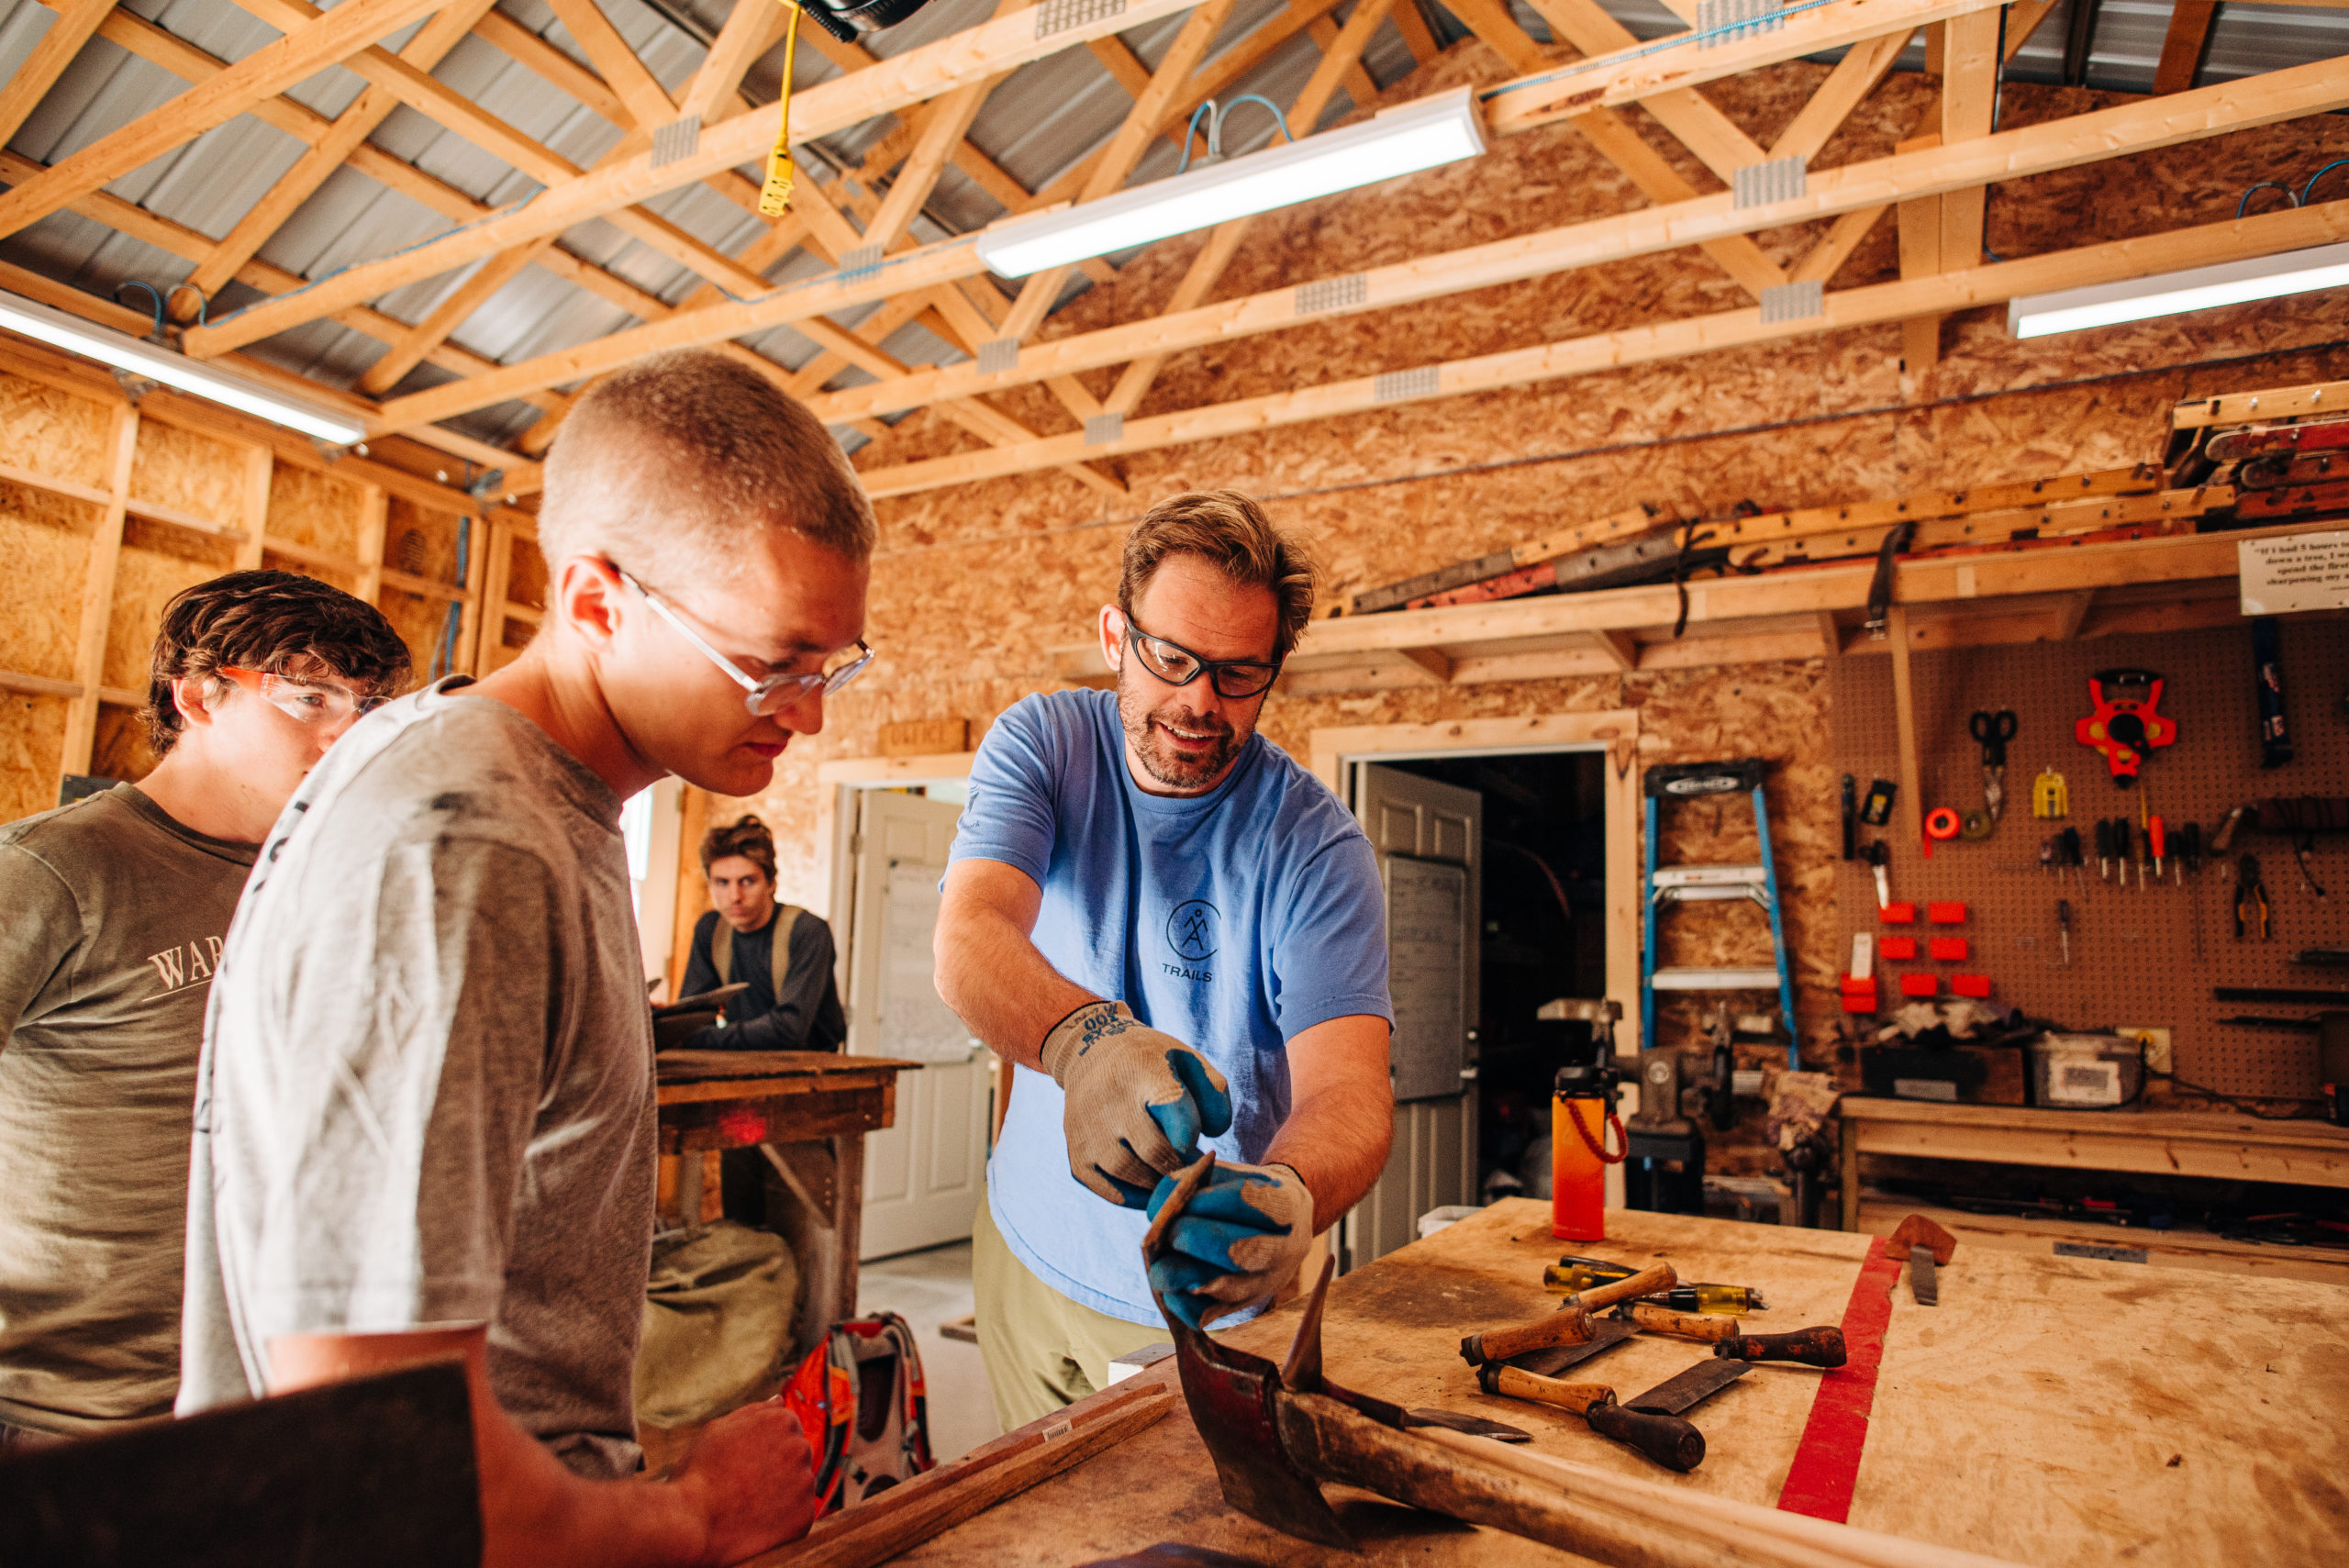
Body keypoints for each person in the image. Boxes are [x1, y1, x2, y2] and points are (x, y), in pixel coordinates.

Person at [179, 350, 877, 1568]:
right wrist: (697, 1514)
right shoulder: (464, 846)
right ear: (600, 601)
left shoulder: (532, 803)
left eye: (833, 664)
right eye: (775, 660)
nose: (809, 710)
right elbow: (378, 1464)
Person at [932, 490, 1395, 1432]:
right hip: (1022, 1248)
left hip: (1199, 1300)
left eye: (1235, 675)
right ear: (1116, 634)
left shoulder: (1314, 845)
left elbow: (1349, 1089)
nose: (1196, 702)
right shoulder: (1044, 745)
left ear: (1272, 673)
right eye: (1171, 658)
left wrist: (1292, 1193)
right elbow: (969, 932)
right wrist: (1086, 1042)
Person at [0, 570, 409, 1450]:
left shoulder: (316, 882)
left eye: (366, 708)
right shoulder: (58, 871)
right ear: (198, 697)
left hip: (257, 1398)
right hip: (71, 1417)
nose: (345, 733)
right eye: (309, 698)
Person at [676, 814, 846, 1053]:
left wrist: (700, 1038)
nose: (734, 896)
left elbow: (789, 1031)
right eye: (722, 882)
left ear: (771, 882)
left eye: (747, 881)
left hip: (812, 1067)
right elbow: (688, 1021)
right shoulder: (711, 930)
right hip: (742, 1062)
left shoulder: (806, 931)